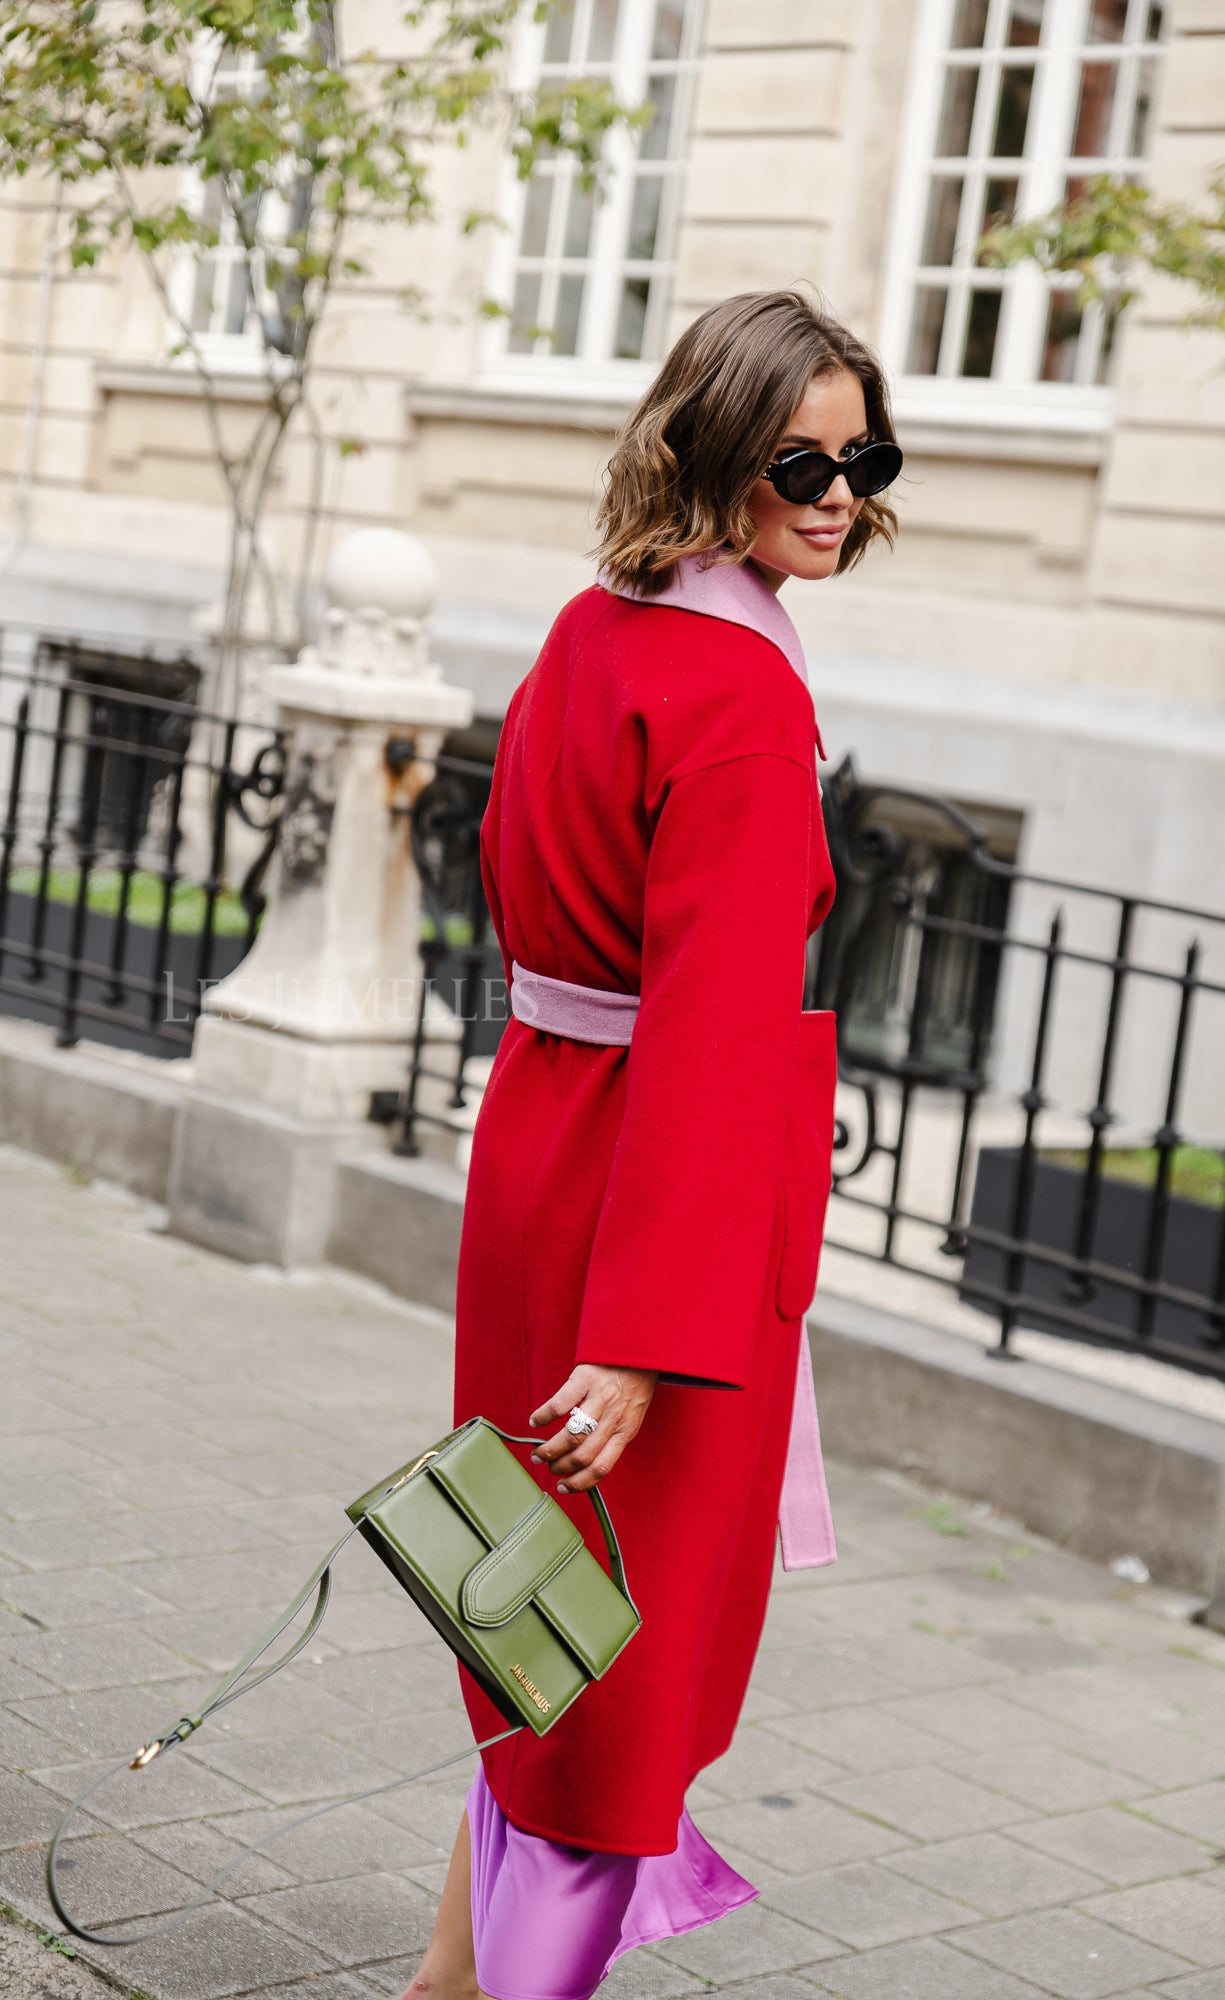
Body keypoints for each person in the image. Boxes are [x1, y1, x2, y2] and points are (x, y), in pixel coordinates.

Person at [400, 288, 902, 2000]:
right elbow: (709, 1041)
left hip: (548, 1145)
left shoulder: (594, 628)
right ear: (712, 453)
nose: (834, 494)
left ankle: (445, 1983)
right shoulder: (744, 702)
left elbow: (519, 887)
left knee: (532, 1616)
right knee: (613, 1686)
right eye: (797, 461)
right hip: (652, 1219)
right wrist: (643, 1343)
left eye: (861, 458)